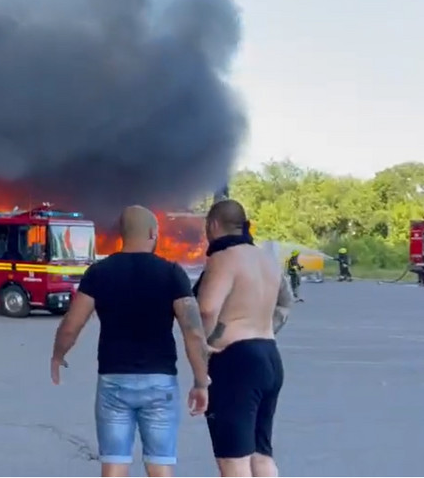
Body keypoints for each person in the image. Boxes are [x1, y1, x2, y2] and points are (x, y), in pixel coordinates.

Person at [51, 206, 210, 478]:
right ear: (152, 232)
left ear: (122, 235)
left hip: (114, 380)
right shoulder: (171, 273)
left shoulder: (99, 273)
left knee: (114, 465)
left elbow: (72, 324)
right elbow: (193, 331)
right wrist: (200, 381)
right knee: (161, 465)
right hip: (160, 381)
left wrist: (58, 354)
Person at [195, 199, 295, 478]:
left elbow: (207, 308)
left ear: (213, 225)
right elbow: (284, 305)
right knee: (261, 455)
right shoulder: (266, 259)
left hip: (236, 363)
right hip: (269, 355)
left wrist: (206, 344)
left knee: (233, 461)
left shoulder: (223, 258)